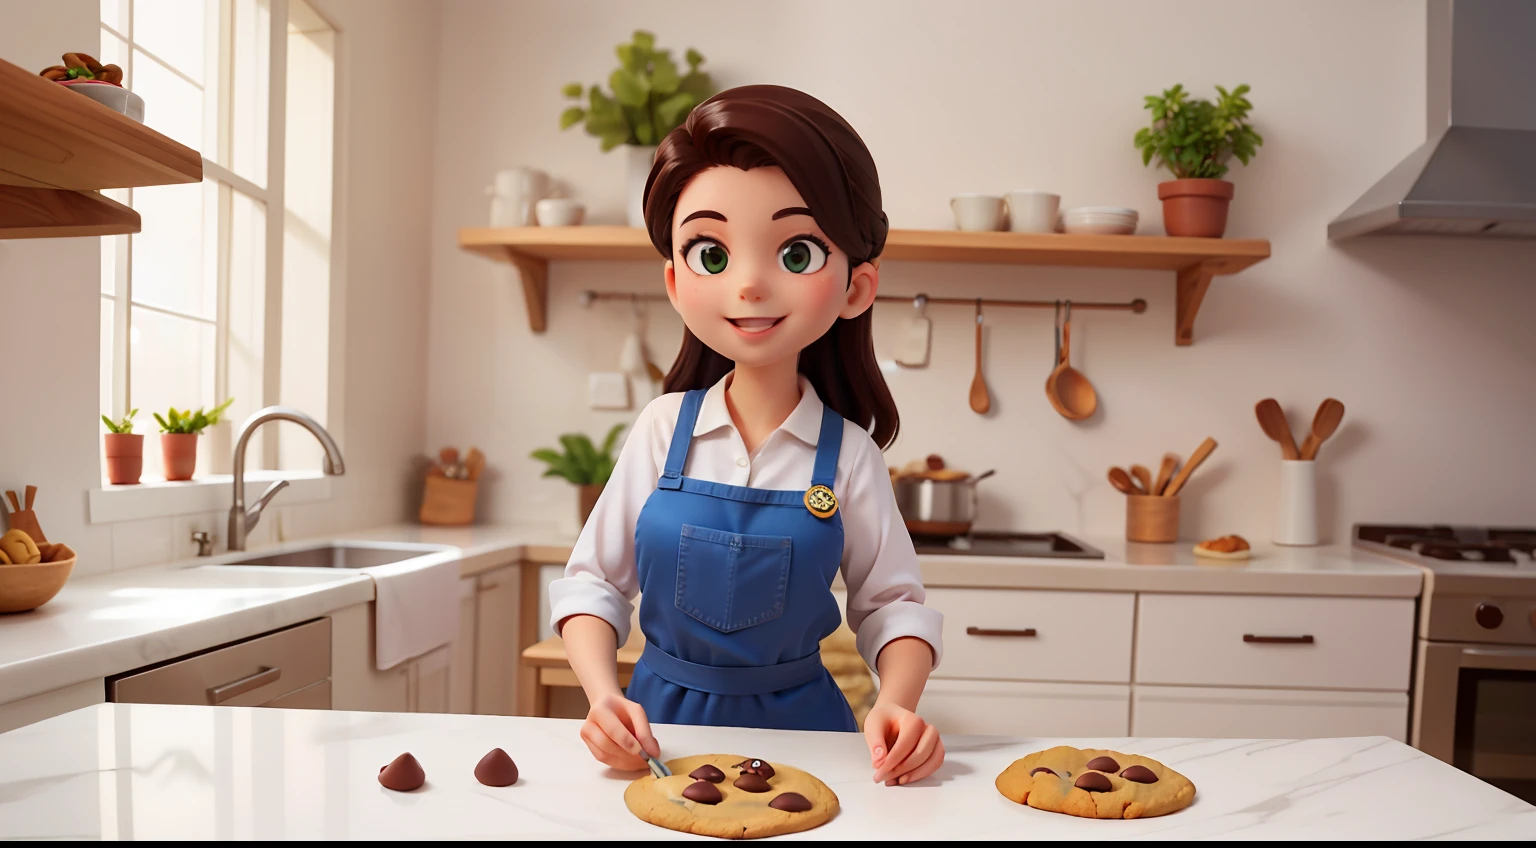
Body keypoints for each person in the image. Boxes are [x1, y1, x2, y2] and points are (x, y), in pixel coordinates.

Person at [549, 84, 945, 787]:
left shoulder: (848, 455)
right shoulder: (660, 430)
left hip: (807, 744)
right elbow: (592, 586)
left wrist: (897, 702)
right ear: (675, 280)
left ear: (856, 286)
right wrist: (603, 698)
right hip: (658, 741)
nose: (752, 285)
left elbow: (893, 605)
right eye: (711, 254)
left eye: (796, 254)